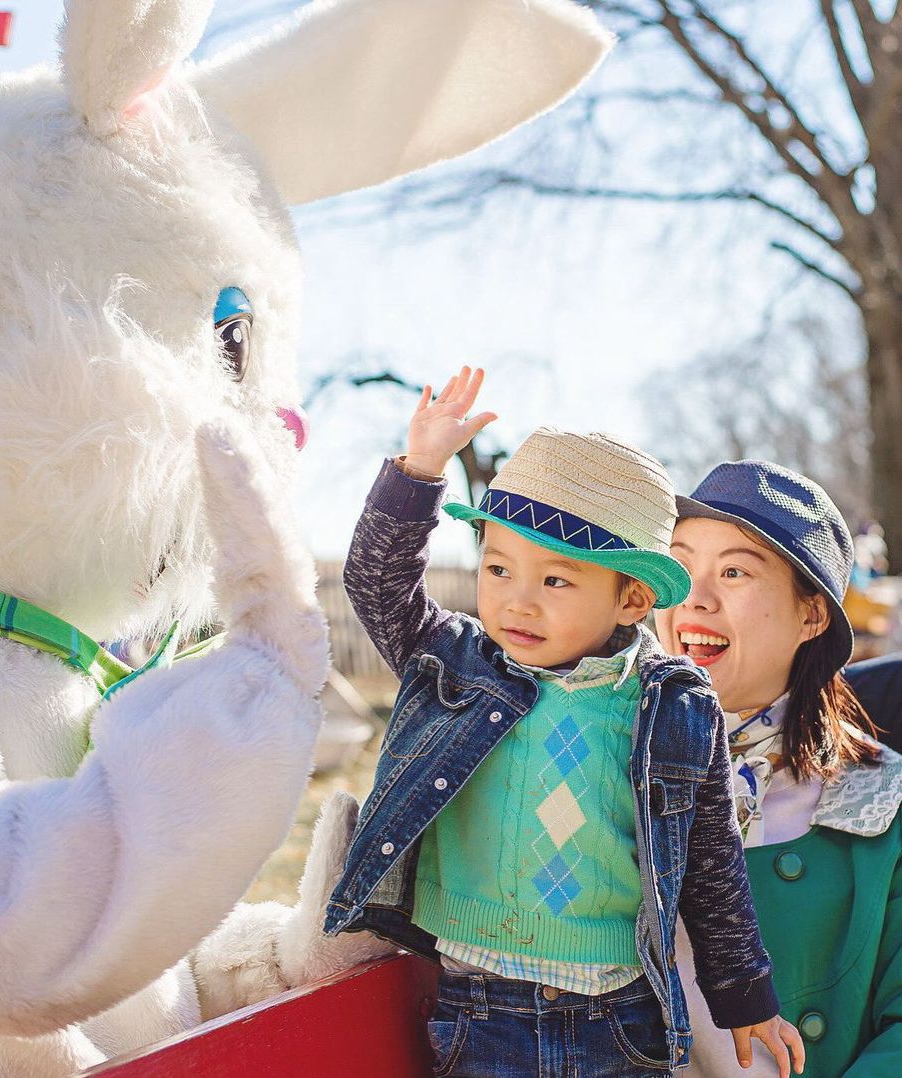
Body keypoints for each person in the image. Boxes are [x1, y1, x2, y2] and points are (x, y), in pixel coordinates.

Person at [325, 369, 802, 1076]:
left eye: (555, 580)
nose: (518, 603)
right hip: (478, 1007)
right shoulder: (458, 665)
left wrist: (746, 998)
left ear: (632, 597)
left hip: (619, 1018)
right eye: (497, 569)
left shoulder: (672, 706)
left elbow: (711, 864)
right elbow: (377, 583)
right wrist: (418, 472)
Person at [656, 460, 902, 1076]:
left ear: (812, 615)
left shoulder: (882, 798)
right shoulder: (587, 759)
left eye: (734, 571)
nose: (695, 597)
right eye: (679, 565)